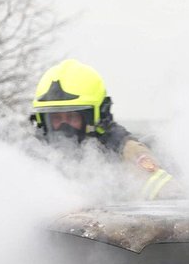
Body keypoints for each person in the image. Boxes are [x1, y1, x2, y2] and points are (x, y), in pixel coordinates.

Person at [30, 58, 178, 200]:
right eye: (56, 118)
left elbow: (170, 198)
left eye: (72, 117)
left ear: (97, 116)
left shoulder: (125, 152)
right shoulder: (33, 156)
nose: (63, 127)